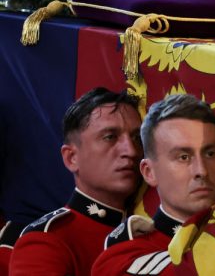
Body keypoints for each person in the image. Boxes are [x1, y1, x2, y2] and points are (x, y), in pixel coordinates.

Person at [9, 87, 143, 276]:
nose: (131, 151)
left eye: (137, 138)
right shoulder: (47, 240)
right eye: (110, 137)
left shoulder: (149, 228)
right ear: (71, 158)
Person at [91, 93, 215, 276]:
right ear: (149, 172)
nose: (201, 170)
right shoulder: (124, 260)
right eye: (183, 157)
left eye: (210, 154)